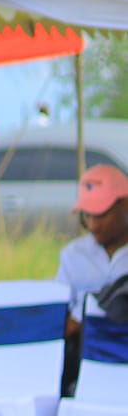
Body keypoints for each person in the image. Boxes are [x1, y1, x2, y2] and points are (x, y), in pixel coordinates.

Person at [54, 164, 128, 396]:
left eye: (102, 214)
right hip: (84, 366)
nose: (94, 224)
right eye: (87, 215)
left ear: (126, 204)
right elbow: (59, 319)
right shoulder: (72, 256)